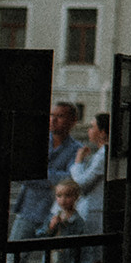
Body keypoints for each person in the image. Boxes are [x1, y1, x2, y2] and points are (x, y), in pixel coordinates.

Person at [68, 114, 109, 263]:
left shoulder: (102, 155)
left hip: (95, 218)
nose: (89, 130)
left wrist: (77, 162)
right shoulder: (103, 154)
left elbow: (81, 184)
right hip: (97, 216)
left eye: (93, 127)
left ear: (103, 132)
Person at [15, 103, 80, 241]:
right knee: (14, 258)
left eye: (60, 116)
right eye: (52, 115)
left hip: (56, 212)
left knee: (52, 259)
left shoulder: (76, 149)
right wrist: (54, 179)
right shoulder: (36, 143)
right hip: (29, 209)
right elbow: (23, 172)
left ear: (73, 121)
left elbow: (69, 179)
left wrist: (38, 174)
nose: (53, 120)